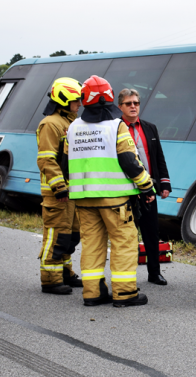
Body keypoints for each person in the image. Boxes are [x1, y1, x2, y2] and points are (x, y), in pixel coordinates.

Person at [66, 75, 155, 307]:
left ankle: (93, 293)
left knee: (92, 245)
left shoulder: (73, 128)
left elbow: (65, 163)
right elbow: (129, 160)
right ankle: (125, 294)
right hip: (115, 200)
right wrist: (146, 185)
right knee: (123, 243)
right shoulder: (117, 126)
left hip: (84, 199)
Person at [117, 88, 172, 286]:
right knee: (126, 235)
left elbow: (158, 157)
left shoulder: (150, 127)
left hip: (148, 189)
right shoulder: (114, 128)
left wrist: (164, 183)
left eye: (136, 103)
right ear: (120, 106)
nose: (133, 106)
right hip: (124, 190)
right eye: (128, 103)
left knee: (151, 232)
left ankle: (154, 273)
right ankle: (127, 276)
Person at [36, 77, 84, 295]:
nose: (80, 104)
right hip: (58, 194)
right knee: (56, 236)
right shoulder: (50, 124)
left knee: (70, 236)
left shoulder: (70, 123)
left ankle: (65, 272)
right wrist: (59, 187)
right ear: (64, 101)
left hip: (72, 192)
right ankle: (50, 279)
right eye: (76, 100)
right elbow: (47, 159)